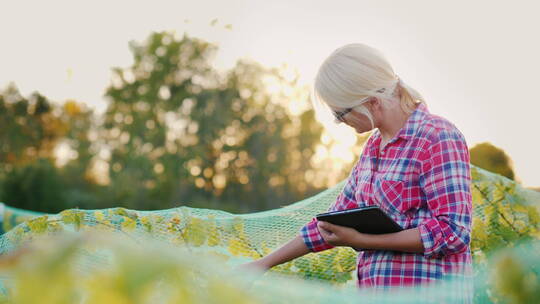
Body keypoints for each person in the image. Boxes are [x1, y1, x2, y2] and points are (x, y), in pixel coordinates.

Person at [240, 43, 473, 299]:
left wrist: (364, 241)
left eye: (341, 112)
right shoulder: (373, 149)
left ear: (372, 102)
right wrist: (261, 264)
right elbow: (329, 223)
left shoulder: (436, 137)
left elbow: (453, 232)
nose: (340, 122)